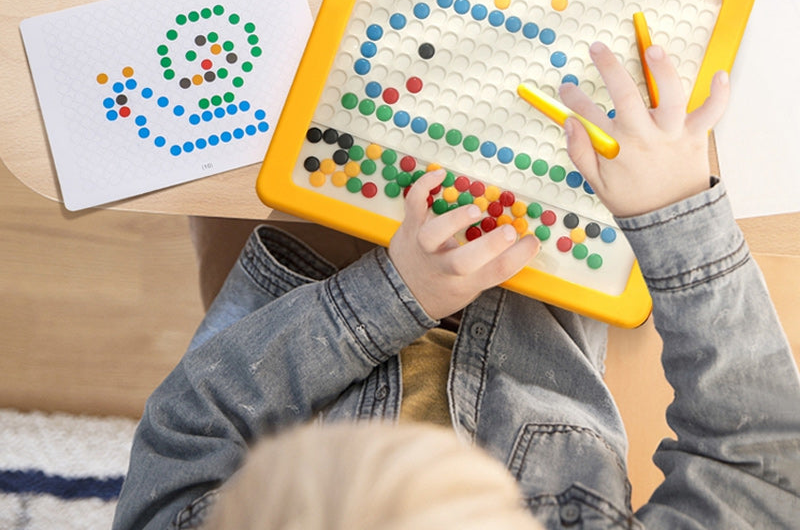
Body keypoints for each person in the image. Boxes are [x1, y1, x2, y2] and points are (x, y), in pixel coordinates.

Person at [112, 42, 800, 529]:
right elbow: (760, 464)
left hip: (307, 295)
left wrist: (395, 294)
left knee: (241, 118)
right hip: (540, 291)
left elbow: (195, 424)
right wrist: (673, 216)